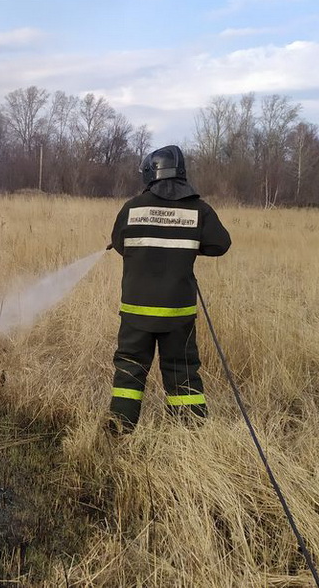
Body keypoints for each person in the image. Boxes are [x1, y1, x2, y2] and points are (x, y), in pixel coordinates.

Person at [107, 145, 231, 433]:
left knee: (129, 369)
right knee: (182, 370)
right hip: (179, 314)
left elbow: (121, 244)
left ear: (150, 173)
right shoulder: (199, 209)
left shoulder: (132, 208)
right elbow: (220, 244)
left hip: (136, 312)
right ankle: (190, 432)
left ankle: (120, 429)